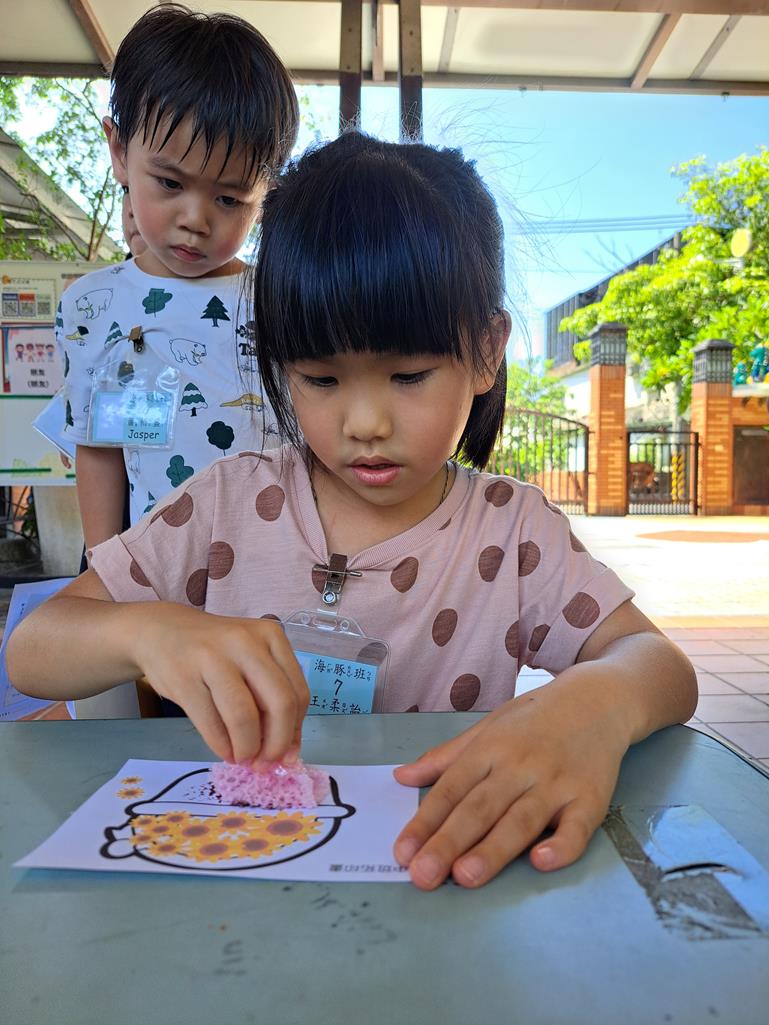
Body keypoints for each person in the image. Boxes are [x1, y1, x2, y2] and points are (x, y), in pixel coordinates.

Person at [8, 134, 697, 891]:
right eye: (321, 378)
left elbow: (659, 663)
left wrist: (594, 705)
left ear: (485, 350)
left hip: (434, 885)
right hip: (234, 878)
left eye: (409, 374)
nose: (365, 422)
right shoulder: (224, 505)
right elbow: (32, 649)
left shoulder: (512, 534)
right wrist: (147, 631)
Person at [58, 3, 298, 550]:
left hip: (276, 561)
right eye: (170, 183)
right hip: (153, 570)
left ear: (266, 194)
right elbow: (100, 447)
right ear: (120, 151)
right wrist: (104, 565)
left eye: (229, 198)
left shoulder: (281, 300)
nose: (195, 219)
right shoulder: (95, 306)